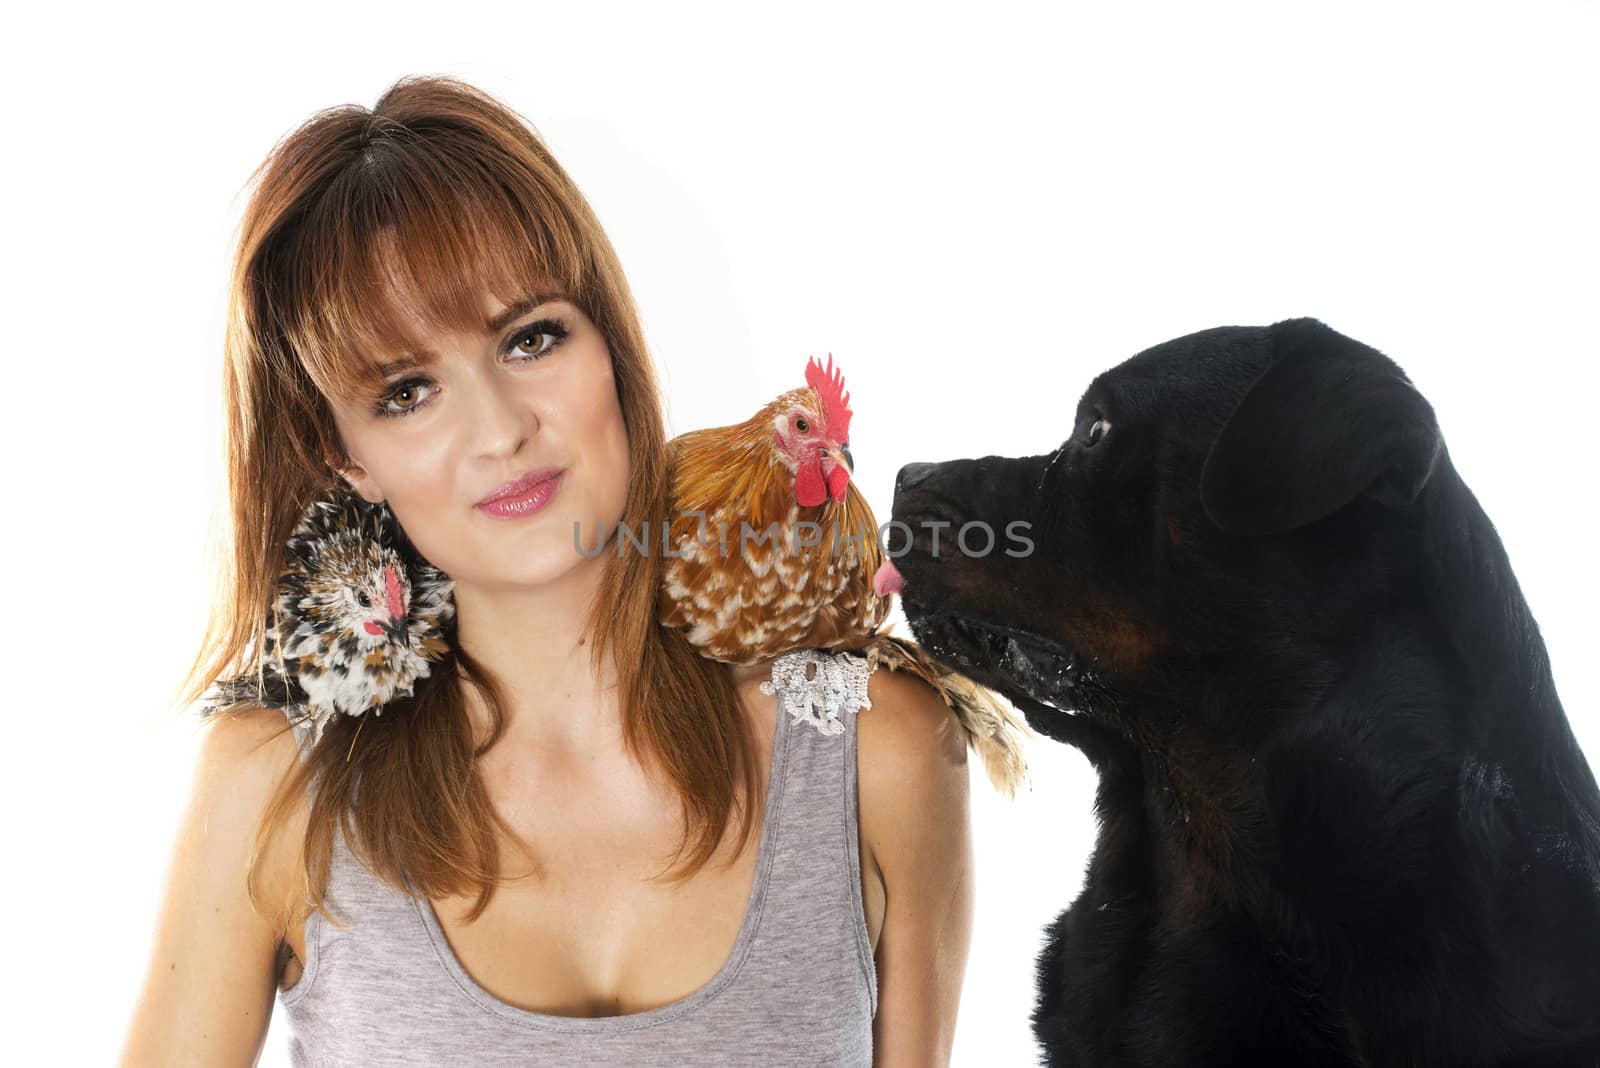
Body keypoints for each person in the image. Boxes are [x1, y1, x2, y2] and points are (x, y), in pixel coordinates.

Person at [119, 74, 973, 1065]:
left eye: (531, 338)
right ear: (345, 456)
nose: (500, 430)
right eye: (407, 392)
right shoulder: (275, 787)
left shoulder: (878, 752)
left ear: (609, 342)